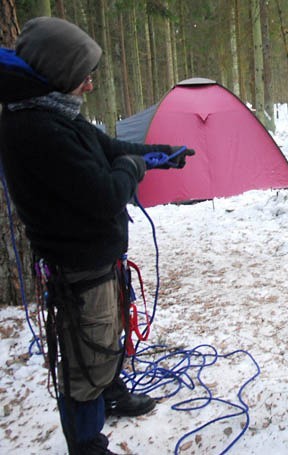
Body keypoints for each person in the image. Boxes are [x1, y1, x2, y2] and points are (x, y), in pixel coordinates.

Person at [0, 17, 194, 453]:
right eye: (82, 76)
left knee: (106, 340)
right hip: (78, 267)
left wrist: (159, 155)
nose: (89, 87)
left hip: (97, 258)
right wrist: (134, 168)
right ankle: (87, 443)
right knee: (85, 362)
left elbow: (107, 148)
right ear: (58, 74)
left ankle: (112, 390)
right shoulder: (37, 128)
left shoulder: (52, 111)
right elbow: (107, 193)